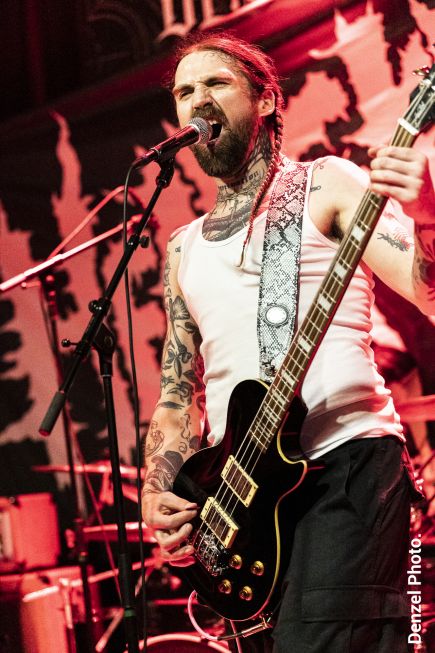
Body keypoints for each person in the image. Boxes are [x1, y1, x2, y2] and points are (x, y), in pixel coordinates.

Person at [141, 32, 435, 653]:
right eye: (185, 91)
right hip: (242, 499)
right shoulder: (182, 249)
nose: (198, 100)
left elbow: (428, 293)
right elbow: (176, 391)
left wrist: (428, 216)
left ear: (268, 99)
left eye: (216, 83)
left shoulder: (328, 184)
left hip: (345, 463)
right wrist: (158, 492)